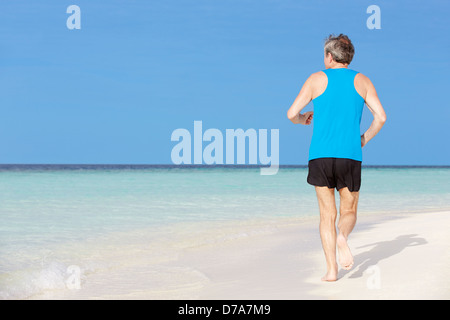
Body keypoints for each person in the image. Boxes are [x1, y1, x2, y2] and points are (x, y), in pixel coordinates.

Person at [287, 34, 387, 281]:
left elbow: (291, 114)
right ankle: (343, 237)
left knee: (326, 215)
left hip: (320, 156)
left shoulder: (316, 78)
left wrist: (303, 119)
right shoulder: (362, 81)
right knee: (349, 210)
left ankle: (331, 271)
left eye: (324, 55)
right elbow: (381, 118)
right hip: (350, 155)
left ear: (330, 57)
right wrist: (363, 139)